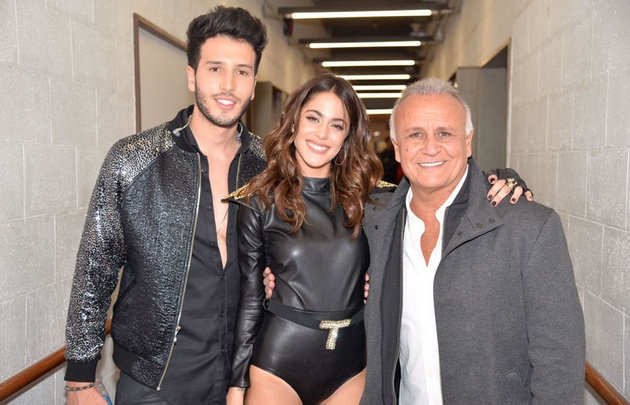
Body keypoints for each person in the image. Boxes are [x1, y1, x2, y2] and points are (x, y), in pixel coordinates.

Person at [64, 6, 268, 405]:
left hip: (247, 379)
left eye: (242, 72)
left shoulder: (271, 166)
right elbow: (94, 269)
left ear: (254, 84)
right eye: (215, 68)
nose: (228, 85)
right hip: (154, 382)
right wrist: (79, 380)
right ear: (192, 76)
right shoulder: (133, 159)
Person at [360, 78, 585, 404]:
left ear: (468, 142)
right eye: (415, 134)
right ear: (396, 147)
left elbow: (559, 363)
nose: (430, 147)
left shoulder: (528, 228)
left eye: (444, 133)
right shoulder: (374, 225)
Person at [226, 73, 383, 405]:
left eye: (336, 125)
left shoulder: (372, 201)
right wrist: (237, 385)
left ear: (348, 136)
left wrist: (497, 181)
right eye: (313, 118)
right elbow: (250, 299)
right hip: (278, 365)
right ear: (294, 120)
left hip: (351, 364)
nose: (322, 134)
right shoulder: (258, 201)